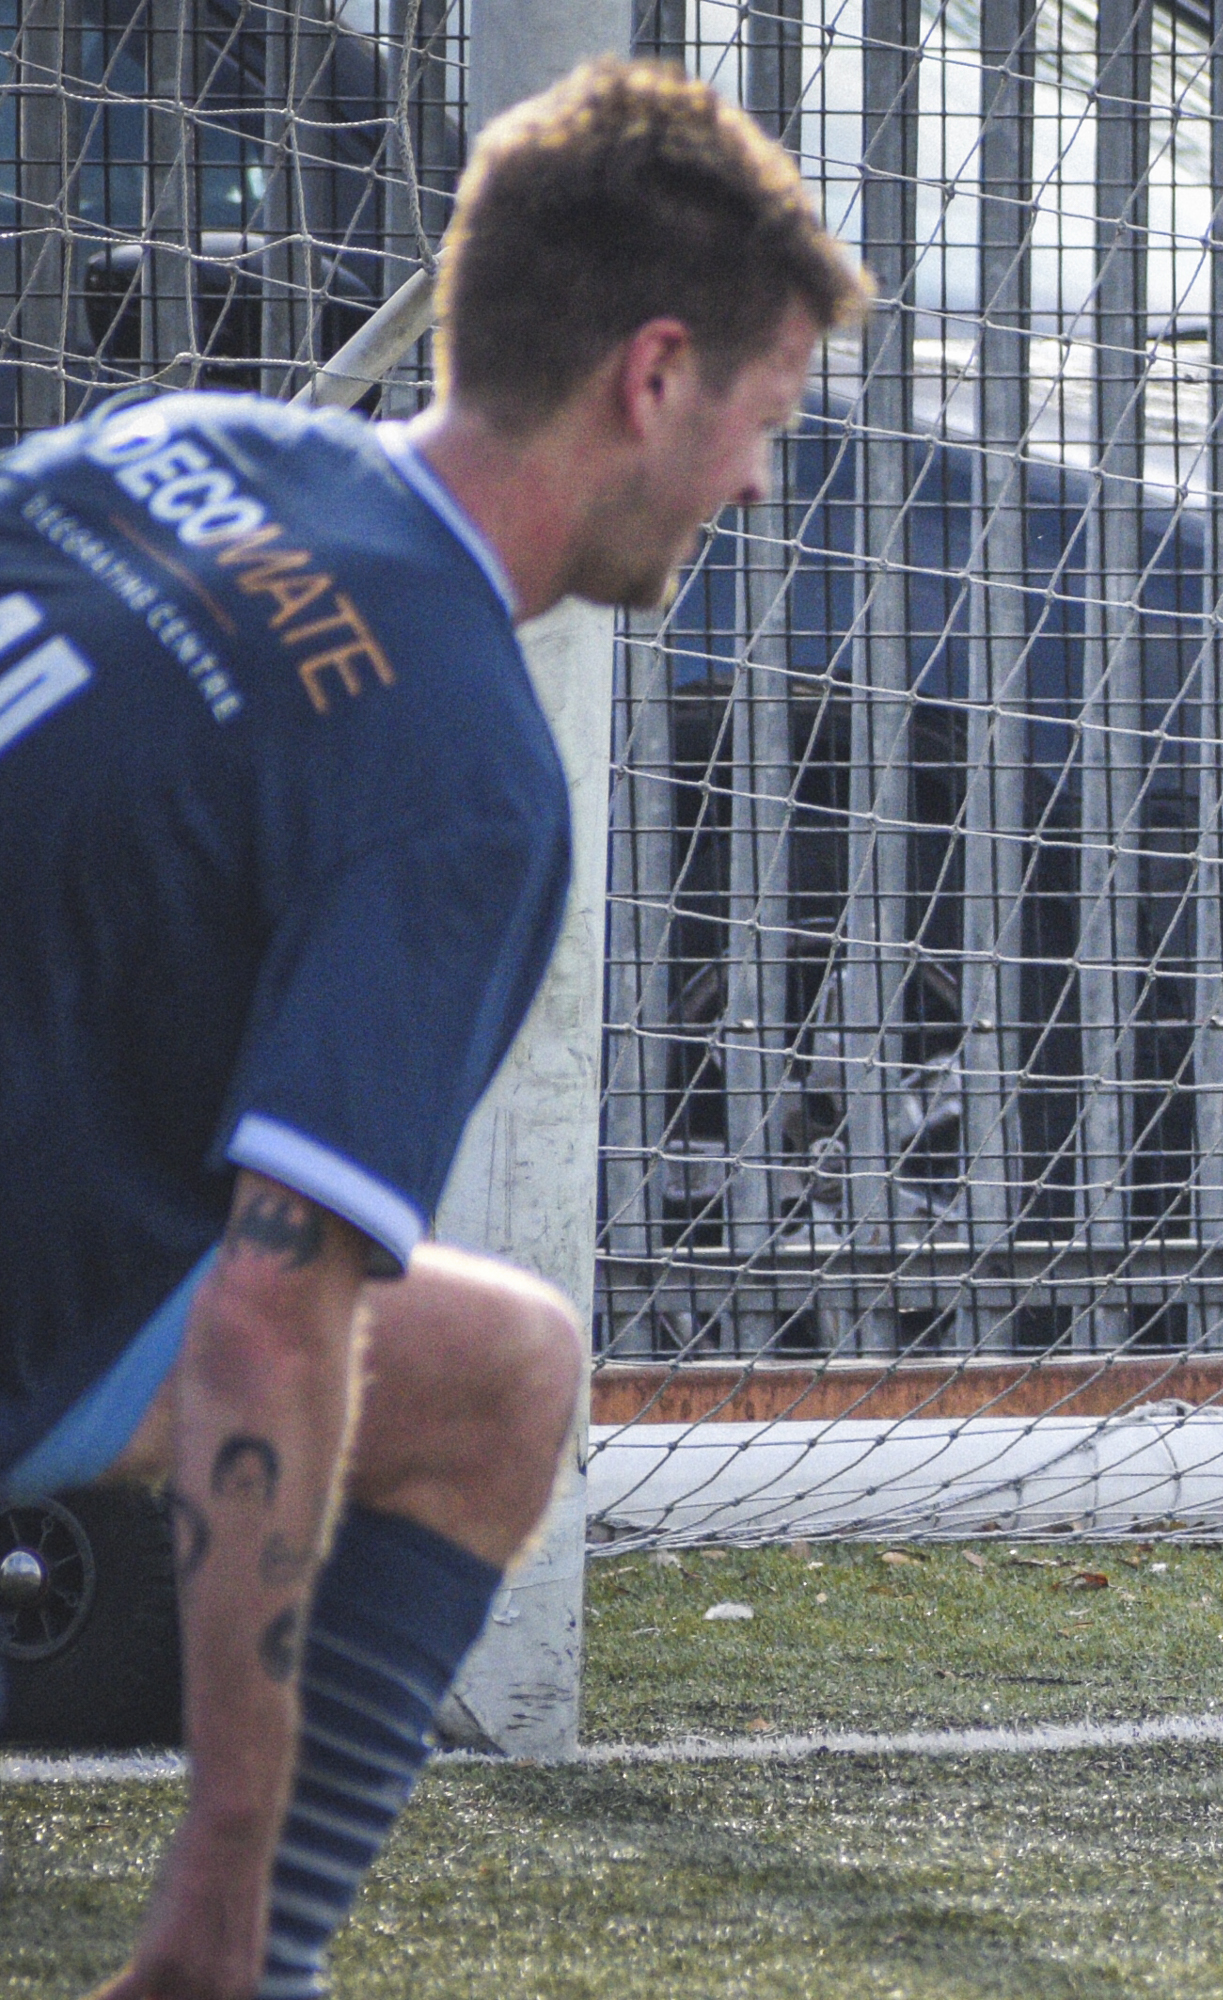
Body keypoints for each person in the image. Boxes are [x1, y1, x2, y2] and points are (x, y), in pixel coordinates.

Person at [0, 58, 865, 1997]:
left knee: (495, 1371)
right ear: (652, 376)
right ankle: (249, 1960)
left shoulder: (172, 445)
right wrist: (219, 1854)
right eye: (763, 422)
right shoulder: (470, 767)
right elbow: (264, 1322)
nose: (756, 480)